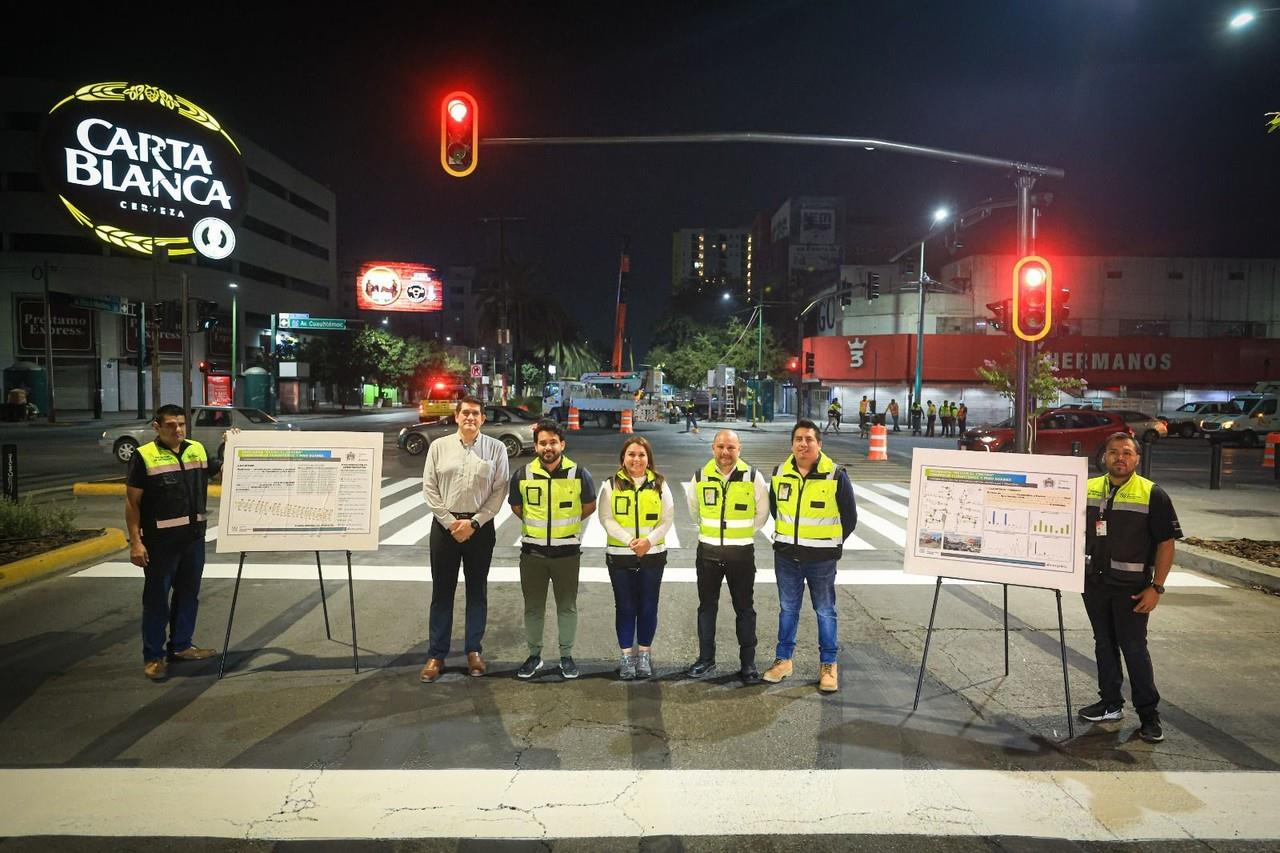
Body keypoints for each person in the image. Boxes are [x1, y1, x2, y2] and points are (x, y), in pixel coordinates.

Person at [1079, 432, 1181, 743]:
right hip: (1094, 584)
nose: (1120, 458)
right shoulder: (1088, 488)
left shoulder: (1152, 494)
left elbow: (1166, 544)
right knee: (1103, 643)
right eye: (1113, 452)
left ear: (1137, 458)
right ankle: (1110, 703)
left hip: (1133, 589)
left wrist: (1157, 588)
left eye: (1126, 453)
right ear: (1104, 457)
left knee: (1134, 648)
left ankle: (1149, 715)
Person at [125, 404, 232, 681]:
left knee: (188, 596)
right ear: (157, 427)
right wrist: (136, 542)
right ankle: (153, 657)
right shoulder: (144, 456)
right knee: (157, 601)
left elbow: (222, 472)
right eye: (171, 425)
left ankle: (182, 646)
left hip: (193, 540)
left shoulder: (195, 449)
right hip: (160, 543)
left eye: (182, 424)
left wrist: (232, 445)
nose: (178, 430)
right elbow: (132, 503)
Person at [419, 396, 511, 683]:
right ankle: (436, 654)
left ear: (483, 419)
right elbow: (429, 488)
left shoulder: (496, 449)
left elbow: (499, 491)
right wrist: (450, 523)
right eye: (465, 413)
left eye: (476, 414)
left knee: (477, 590)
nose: (470, 418)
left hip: (480, 528)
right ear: (456, 417)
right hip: (444, 528)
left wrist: (474, 522)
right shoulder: (438, 447)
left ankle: (474, 651)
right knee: (442, 591)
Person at [763, 419, 858, 693]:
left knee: (825, 611)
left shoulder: (835, 475)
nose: (803, 444)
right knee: (787, 610)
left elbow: (849, 518)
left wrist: (830, 545)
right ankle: (783, 661)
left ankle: (829, 665)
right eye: (798, 439)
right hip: (786, 557)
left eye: (809, 439)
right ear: (792, 444)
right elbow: (775, 510)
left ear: (819, 444)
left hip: (821, 560)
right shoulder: (780, 473)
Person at [509, 419, 596, 681]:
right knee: (533, 608)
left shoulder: (579, 474)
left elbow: (589, 505)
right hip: (533, 554)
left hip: (567, 554)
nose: (548, 447)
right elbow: (517, 507)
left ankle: (566, 657)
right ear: (536, 446)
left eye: (553, 442)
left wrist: (565, 526)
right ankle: (534, 656)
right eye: (543, 443)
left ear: (562, 444)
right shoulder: (523, 474)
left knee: (567, 607)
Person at [686, 429, 771, 683]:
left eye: (731, 448)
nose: (725, 452)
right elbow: (694, 512)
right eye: (721, 447)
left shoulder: (753, 477)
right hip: (708, 553)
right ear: (713, 448)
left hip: (741, 554)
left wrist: (741, 533)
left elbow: (762, 514)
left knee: (745, 609)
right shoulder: (700, 477)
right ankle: (705, 659)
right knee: (706, 608)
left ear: (739, 449)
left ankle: (748, 664)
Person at [599, 435, 675, 680]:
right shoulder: (610, 485)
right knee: (625, 607)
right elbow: (606, 518)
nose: (636, 459)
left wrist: (648, 542)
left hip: (653, 555)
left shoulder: (660, 484)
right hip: (621, 556)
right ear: (623, 458)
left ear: (648, 459)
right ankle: (625, 657)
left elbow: (667, 519)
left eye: (641, 455)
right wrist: (629, 541)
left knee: (648, 606)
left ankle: (643, 654)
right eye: (631, 454)